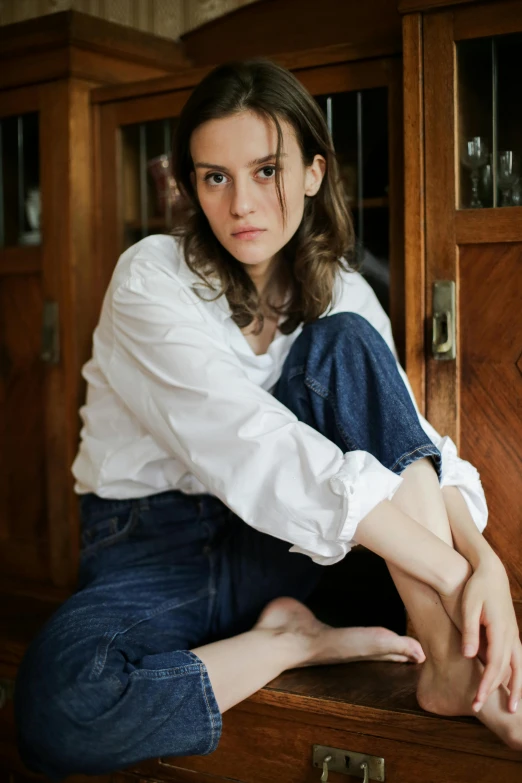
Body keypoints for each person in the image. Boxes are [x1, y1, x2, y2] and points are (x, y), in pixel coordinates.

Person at [14, 58, 522, 779]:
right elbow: (250, 444)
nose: (242, 203)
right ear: (191, 183)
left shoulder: (343, 287)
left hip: (289, 548)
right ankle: (293, 640)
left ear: (314, 172)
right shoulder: (150, 275)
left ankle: (450, 660)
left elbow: (411, 438)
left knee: (345, 341)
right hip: (156, 552)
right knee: (57, 706)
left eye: (266, 170)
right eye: (214, 176)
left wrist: (484, 560)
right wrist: (449, 569)